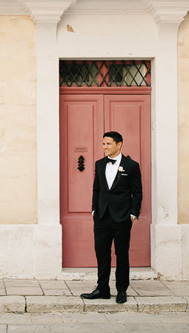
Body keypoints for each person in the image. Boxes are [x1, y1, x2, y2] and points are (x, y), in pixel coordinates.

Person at [81, 130, 143, 304]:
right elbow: (97, 189)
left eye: (108, 144)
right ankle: (102, 288)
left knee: (122, 254)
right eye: (103, 144)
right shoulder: (99, 164)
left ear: (119, 144)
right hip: (101, 217)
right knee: (102, 254)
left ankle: (122, 290)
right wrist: (94, 210)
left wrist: (132, 215)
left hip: (122, 218)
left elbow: (137, 193)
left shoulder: (131, 165)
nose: (104, 147)